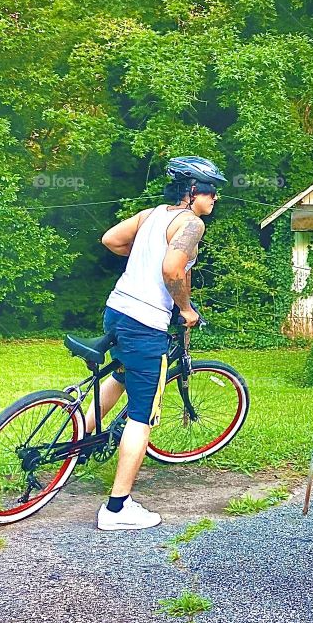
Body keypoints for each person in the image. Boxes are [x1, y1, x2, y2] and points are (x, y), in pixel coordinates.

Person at [90, 155, 227, 530]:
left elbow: (111, 240)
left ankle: (81, 440)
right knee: (142, 415)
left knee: (120, 374)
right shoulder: (191, 223)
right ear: (193, 191)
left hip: (116, 310)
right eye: (211, 192)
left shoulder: (151, 215)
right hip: (145, 322)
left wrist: (138, 260)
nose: (214, 199)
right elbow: (172, 270)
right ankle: (117, 509)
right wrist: (184, 308)